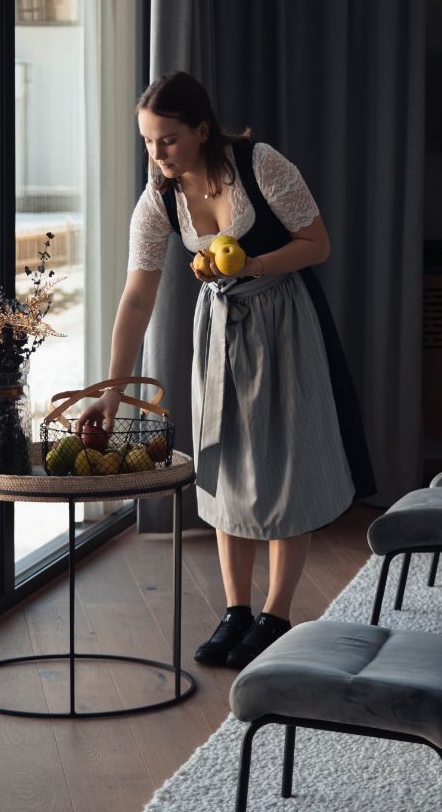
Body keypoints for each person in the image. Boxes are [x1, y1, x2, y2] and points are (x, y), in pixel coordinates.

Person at [77, 71, 374, 669]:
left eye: (168, 140)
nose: (156, 154)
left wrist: (254, 264)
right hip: (220, 330)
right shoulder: (159, 199)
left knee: (288, 465)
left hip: (285, 321)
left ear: (202, 131)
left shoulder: (260, 164)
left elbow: (317, 244)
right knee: (226, 464)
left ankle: (277, 614)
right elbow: (137, 299)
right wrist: (112, 393)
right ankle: (237, 610)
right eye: (147, 141)